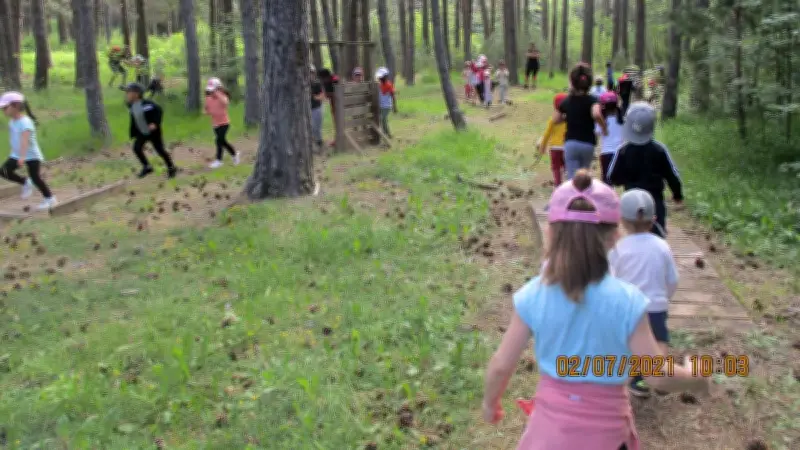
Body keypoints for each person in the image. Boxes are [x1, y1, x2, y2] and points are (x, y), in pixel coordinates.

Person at [481, 171, 709, 450]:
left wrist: (490, 403)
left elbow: (502, 365)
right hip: (607, 437)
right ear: (614, 237)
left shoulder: (533, 295)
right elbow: (657, 374)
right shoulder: (629, 301)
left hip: (549, 437)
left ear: (551, 233)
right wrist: (695, 377)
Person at [610, 189, 679, 398]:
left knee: (629, 345)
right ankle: (657, 377)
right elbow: (673, 279)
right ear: (654, 219)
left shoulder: (618, 248)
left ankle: (630, 379)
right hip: (656, 306)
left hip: (628, 308)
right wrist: (666, 298)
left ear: (621, 220)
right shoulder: (662, 246)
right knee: (659, 340)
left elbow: (609, 280)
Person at [607, 102, 683, 238]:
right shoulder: (659, 150)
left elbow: (612, 176)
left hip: (631, 201)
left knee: (632, 236)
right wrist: (677, 194)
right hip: (655, 202)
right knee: (657, 235)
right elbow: (672, 175)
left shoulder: (623, 151)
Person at [0, 92, 57, 210]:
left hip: (31, 155)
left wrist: (22, 156)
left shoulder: (25, 122)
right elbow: (14, 139)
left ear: (15, 106)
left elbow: (25, 141)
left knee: (36, 177)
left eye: (5, 108)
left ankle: (50, 199)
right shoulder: (12, 122)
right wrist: (14, 153)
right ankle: (25, 182)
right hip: (16, 154)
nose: (3, 111)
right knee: (4, 171)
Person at [552, 63, 607, 180]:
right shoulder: (593, 100)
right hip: (588, 143)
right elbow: (596, 114)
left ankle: (573, 197)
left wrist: (569, 116)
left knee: (572, 178)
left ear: (573, 82)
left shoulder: (567, 101)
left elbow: (556, 120)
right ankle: (584, 196)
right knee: (584, 177)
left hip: (571, 143)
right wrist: (604, 127)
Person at [124, 83, 177, 179]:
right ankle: (147, 166)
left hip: (153, 131)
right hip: (142, 131)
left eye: (129, 92)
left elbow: (159, 111)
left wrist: (155, 123)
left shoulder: (148, 104)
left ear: (137, 94)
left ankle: (171, 167)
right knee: (137, 148)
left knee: (160, 150)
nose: (127, 94)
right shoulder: (131, 106)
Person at [204, 78, 239, 169]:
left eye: (213, 90)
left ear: (218, 88)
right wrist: (207, 112)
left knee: (219, 141)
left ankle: (218, 161)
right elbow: (208, 110)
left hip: (224, 123)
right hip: (215, 124)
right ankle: (234, 154)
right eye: (211, 90)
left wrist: (218, 93)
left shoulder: (223, 97)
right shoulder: (208, 98)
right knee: (222, 141)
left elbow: (225, 103)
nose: (212, 92)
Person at [538, 93, 568, 186]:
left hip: (555, 148)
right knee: (566, 166)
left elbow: (547, 134)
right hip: (567, 147)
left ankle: (558, 184)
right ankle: (567, 183)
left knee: (556, 168)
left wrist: (542, 147)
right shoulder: (570, 119)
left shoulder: (553, 120)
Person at [596, 92, 624, 181]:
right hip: (620, 153)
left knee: (606, 179)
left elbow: (597, 134)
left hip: (606, 153)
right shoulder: (622, 120)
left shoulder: (602, 122)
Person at [317, 68, 340, 147]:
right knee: (335, 121)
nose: (322, 80)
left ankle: (339, 139)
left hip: (339, 104)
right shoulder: (325, 82)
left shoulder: (335, 79)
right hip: (333, 104)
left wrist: (327, 95)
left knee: (339, 121)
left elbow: (337, 92)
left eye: (322, 78)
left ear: (326, 76)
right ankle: (337, 139)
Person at [376, 67, 397, 138]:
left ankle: (387, 134)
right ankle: (385, 133)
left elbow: (393, 95)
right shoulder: (379, 85)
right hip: (381, 106)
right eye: (379, 77)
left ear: (385, 76)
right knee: (382, 120)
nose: (380, 78)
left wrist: (394, 106)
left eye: (382, 77)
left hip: (387, 106)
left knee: (383, 119)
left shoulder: (389, 85)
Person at [310, 65, 325, 148]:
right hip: (308, 110)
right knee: (310, 129)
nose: (310, 74)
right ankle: (312, 146)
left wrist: (314, 97)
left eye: (311, 72)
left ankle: (320, 145)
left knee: (317, 129)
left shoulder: (317, 83)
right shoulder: (303, 84)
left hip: (317, 108)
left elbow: (322, 96)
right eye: (309, 72)